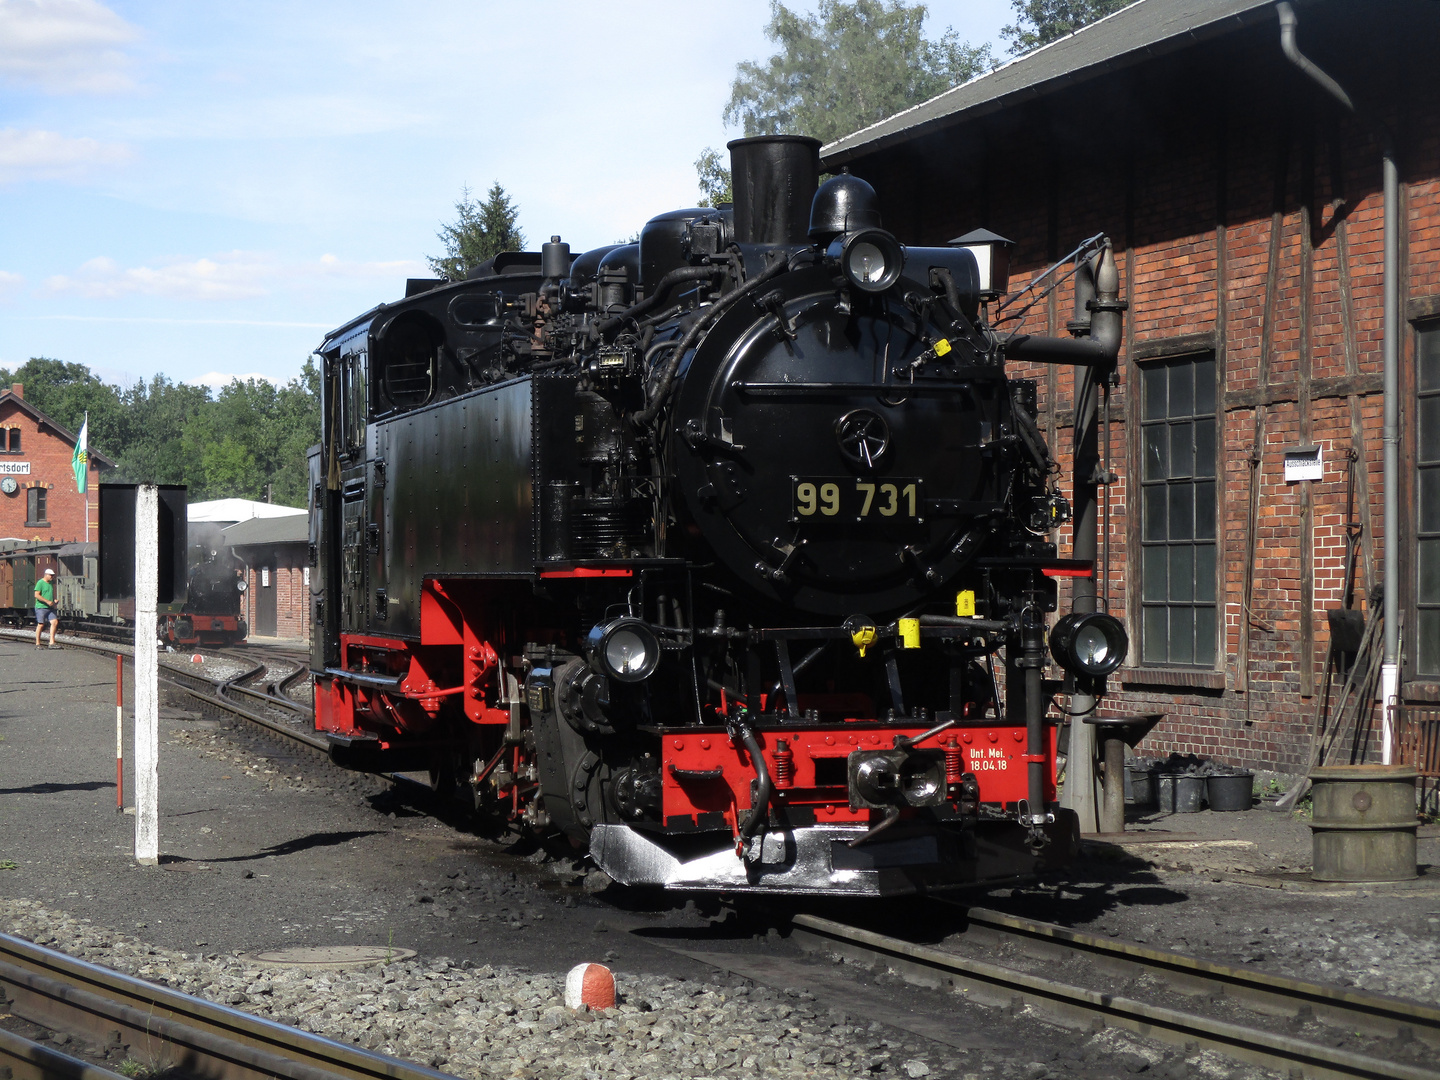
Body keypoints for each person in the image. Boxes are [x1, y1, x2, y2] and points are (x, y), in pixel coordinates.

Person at [33, 567, 59, 649]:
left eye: (53, 576)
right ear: (46, 575)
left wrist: (54, 600)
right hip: (41, 607)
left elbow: (49, 594)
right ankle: (37, 644)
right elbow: (36, 595)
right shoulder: (40, 583)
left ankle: (52, 642)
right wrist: (47, 601)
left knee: (54, 622)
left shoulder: (50, 583)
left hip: (50, 607)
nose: (52, 577)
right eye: (51, 575)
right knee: (41, 625)